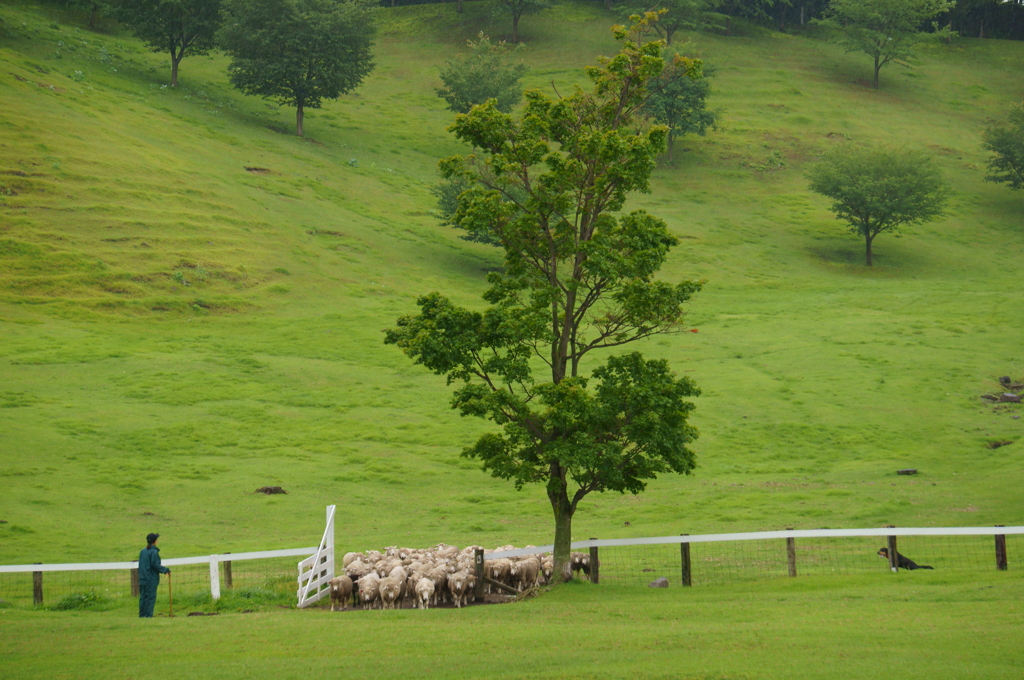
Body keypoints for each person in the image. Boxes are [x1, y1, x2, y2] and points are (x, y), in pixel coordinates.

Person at [138, 532, 171, 617]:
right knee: (150, 597)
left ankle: (142, 614)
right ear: (155, 541)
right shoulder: (154, 552)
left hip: (142, 578)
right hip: (151, 578)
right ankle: (148, 615)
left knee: (143, 597)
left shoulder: (142, 551)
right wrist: (165, 570)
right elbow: (155, 565)